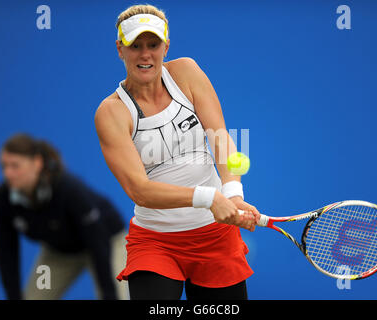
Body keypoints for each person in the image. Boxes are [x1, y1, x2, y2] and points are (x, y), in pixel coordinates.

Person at [94, 4, 262, 300]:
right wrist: (210, 197)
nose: (145, 54)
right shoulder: (111, 112)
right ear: (120, 49)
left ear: (166, 46)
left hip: (215, 236)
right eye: (135, 46)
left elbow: (220, 137)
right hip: (155, 243)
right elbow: (140, 190)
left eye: (153, 44)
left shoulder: (186, 73)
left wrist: (234, 193)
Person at [0, 133, 129, 300]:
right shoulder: (2, 197)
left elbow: (97, 240)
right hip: (58, 254)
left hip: (107, 243)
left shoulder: (67, 189)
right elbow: (6, 251)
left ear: (37, 163)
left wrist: (109, 294)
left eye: (15, 166)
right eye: (4, 166)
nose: (8, 174)